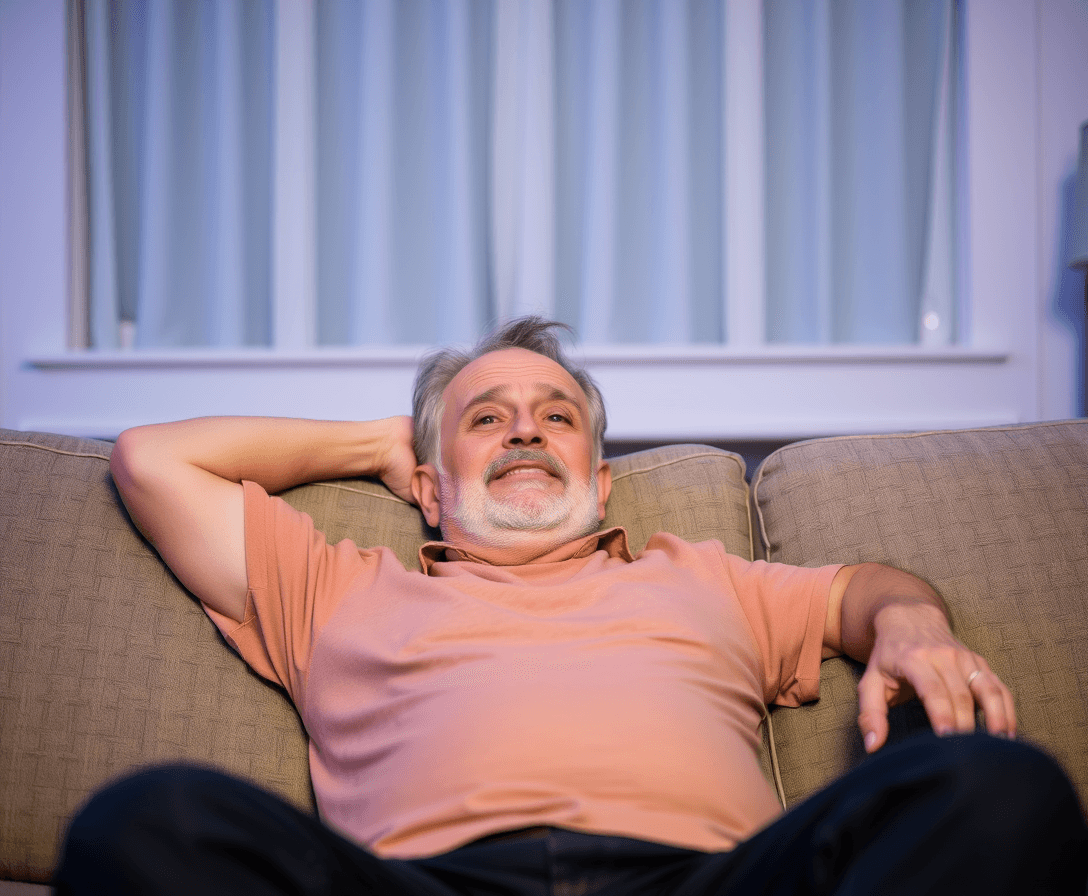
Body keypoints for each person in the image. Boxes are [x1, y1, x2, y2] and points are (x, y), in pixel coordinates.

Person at [56, 317, 1087, 895]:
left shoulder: (697, 573)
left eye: (556, 418)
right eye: (486, 419)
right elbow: (152, 458)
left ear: (599, 483)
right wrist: (377, 441)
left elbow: (861, 590)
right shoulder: (335, 586)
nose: (523, 432)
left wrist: (909, 618)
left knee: (996, 788)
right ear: (424, 483)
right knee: (149, 821)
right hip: (431, 890)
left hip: (706, 889)